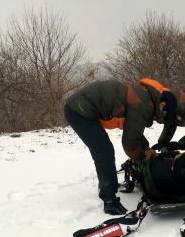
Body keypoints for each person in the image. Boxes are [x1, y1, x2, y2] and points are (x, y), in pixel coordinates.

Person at [64, 80, 177, 215]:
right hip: (80, 111)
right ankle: (110, 201)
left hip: (82, 105)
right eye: (165, 115)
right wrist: (143, 158)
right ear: (162, 105)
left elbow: (134, 131)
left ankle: (108, 182)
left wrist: (145, 149)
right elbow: (130, 145)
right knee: (104, 153)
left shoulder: (147, 97)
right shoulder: (143, 104)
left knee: (105, 151)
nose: (162, 119)